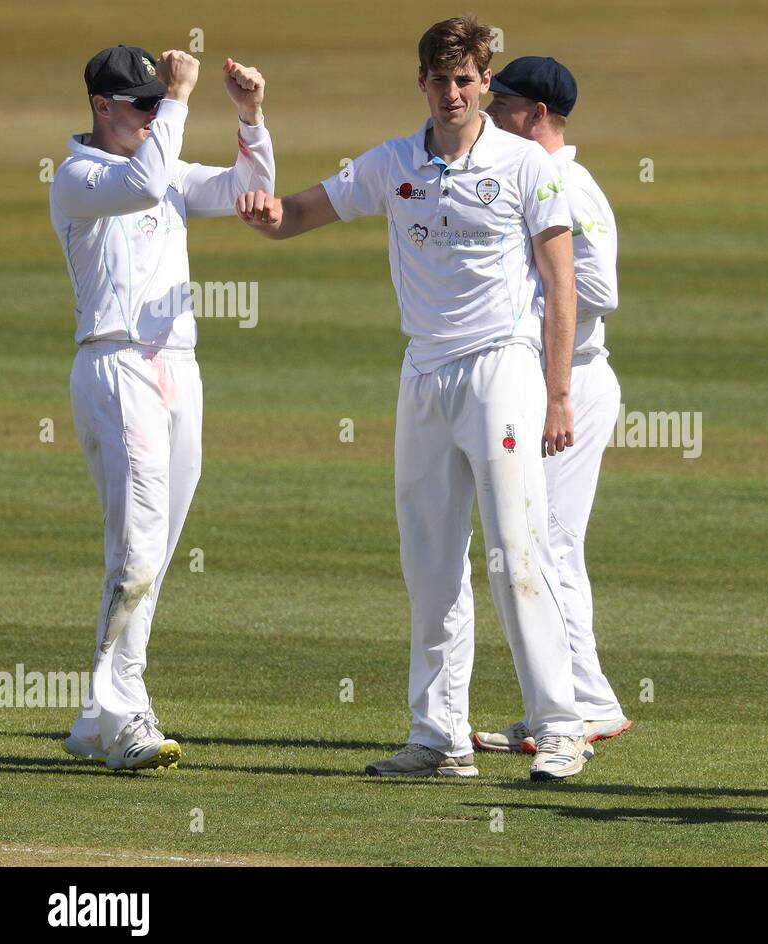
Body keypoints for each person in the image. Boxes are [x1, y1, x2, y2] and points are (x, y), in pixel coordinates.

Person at [234, 16, 590, 781]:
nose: (453, 93)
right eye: (441, 80)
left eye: (467, 80)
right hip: (424, 373)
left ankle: (562, 727)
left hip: (502, 368)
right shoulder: (393, 163)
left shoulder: (527, 165)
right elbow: (301, 213)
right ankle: (438, 737)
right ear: (422, 83)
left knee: (514, 550)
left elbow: (560, 283)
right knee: (429, 559)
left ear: (487, 84)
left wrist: (560, 395)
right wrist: (268, 215)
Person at [51, 44, 274, 770]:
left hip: (178, 365)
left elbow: (248, 189)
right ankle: (123, 716)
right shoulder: (80, 175)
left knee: (153, 546)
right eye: (141, 104)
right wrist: (178, 98)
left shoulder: (162, 162)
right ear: (102, 107)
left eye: (157, 103)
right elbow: (145, 188)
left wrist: (250, 117)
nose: (152, 114)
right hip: (116, 363)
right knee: (138, 544)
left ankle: (94, 716)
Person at [470, 55, 632, 756]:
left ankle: (583, 705)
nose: (487, 114)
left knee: (550, 545)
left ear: (536, 115)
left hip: (574, 383)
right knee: (538, 544)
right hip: (542, 381)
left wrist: (522, 297)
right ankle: (563, 704)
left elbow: (598, 289)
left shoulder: (567, 182)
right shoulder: (533, 177)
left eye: (499, 103)